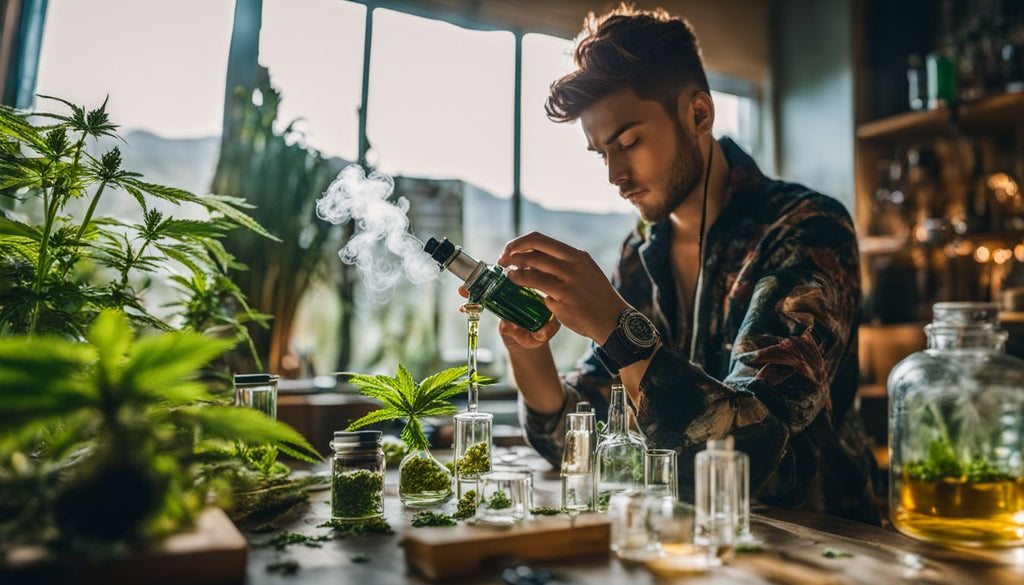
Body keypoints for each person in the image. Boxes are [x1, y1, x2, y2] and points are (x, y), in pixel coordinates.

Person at [497, 5, 880, 524]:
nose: (614, 174)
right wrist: (529, 352)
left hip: (823, 546)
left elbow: (749, 452)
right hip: (691, 540)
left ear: (699, 114)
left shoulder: (807, 230)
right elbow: (580, 440)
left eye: (628, 141)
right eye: (600, 153)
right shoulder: (639, 256)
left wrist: (616, 327)